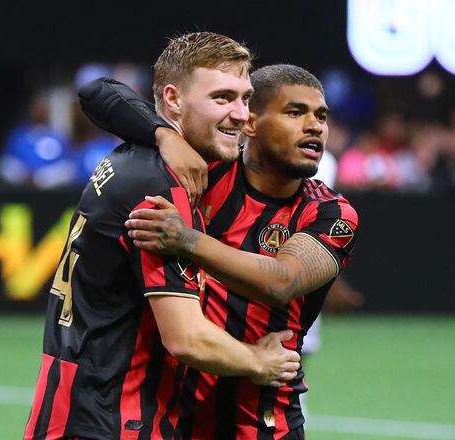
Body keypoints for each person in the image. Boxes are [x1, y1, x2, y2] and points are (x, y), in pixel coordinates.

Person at [25, 33, 301, 440]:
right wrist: (259, 362)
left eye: (245, 98)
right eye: (222, 98)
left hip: (68, 411)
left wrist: (163, 134)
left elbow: (96, 92)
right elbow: (187, 338)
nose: (241, 114)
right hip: (116, 421)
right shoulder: (161, 188)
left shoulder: (135, 155)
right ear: (172, 100)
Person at [81, 64, 359, 438]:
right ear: (250, 123)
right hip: (168, 415)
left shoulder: (330, 213)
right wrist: (165, 136)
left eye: (321, 116)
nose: (315, 126)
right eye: (296, 112)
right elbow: (96, 92)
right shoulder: (204, 172)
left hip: (261, 418)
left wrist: (189, 240)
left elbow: (283, 281)